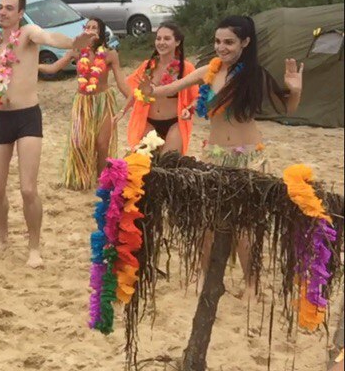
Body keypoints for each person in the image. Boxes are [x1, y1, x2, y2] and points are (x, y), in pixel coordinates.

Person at [143, 15, 303, 296]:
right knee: (206, 222)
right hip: (214, 156)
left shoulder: (254, 75)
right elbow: (171, 88)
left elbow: (288, 108)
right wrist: (149, 90)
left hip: (248, 157)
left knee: (245, 226)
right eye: (217, 41)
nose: (221, 47)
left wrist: (295, 90)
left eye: (229, 42)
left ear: (245, 42)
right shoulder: (210, 70)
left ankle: (251, 284)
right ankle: (206, 277)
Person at [0, 0, 93, 265]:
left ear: (20, 14)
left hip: (27, 117)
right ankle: (2, 239)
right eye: (0, 8)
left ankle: (34, 248)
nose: (3, 12)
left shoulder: (28, 33)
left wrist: (73, 43)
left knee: (28, 189)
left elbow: (49, 37)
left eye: (9, 8)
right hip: (0, 118)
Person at [40, 17, 131, 190]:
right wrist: (32, 66)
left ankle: (102, 182)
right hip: (82, 103)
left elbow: (121, 82)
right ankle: (82, 177)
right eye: (87, 27)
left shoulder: (110, 54)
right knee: (80, 143)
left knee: (102, 144)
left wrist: (133, 99)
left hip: (104, 101)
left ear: (100, 33)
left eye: (94, 27)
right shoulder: (76, 52)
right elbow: (54, 68)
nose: (89, 30)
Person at [118, 22, 198, 153]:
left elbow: (197, 96)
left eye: (167, 39)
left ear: (177, 42)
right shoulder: (147, 66)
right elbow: (132, 91)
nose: (161, 42)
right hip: (148, 122)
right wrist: (122, 111)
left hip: (175, 123)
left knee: (168, 163)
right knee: (147, 163)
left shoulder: (186, 68)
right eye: (158, 38)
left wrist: (189, 109)